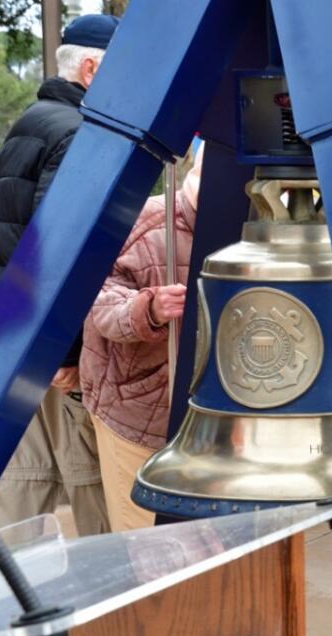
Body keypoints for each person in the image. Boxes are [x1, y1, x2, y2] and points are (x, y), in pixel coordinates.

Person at [0, 14, 121, 535]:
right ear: (90, 68)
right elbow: (54, 251)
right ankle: (105, 615)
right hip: (52, 349)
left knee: (23, 487)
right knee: (91, 486)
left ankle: (6, 609)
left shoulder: (32, 121)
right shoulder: (77, 133)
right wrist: (63, 355)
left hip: (9, 334)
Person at [80, 145, 201, 532]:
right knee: (143, 542)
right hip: (136, 408)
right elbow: (95, 300)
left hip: (209, 413)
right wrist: (147, 309)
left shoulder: (256, 227)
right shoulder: (142, 221)